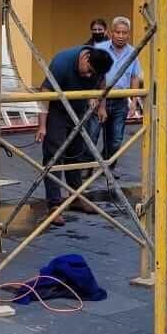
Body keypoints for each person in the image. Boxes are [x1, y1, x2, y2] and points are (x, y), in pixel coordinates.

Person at [36, 43, 113, 223]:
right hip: (57, 111)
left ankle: (76, 197)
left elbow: (103, 85)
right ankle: (54, 205)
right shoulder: (62, 62)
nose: (88, 76)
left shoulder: (98, 66)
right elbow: (44, 93)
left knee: (76, 154)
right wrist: (42, 126)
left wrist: (102, 107)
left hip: (78, 111)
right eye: (88, 71)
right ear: (85, 58)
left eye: (93, 74)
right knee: (54, 155)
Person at [100, 16, 143, 166]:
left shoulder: (133, 53)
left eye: (124, 33)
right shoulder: (101, 49)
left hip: (121, 101)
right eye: (118, 32)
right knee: (92, 136)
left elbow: (134, 77)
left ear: (128, 34)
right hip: (100, 99)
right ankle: (89, 169)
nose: (120, 36)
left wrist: (134, 102)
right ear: (111, 33)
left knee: (116, 139)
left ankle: (108, 167)